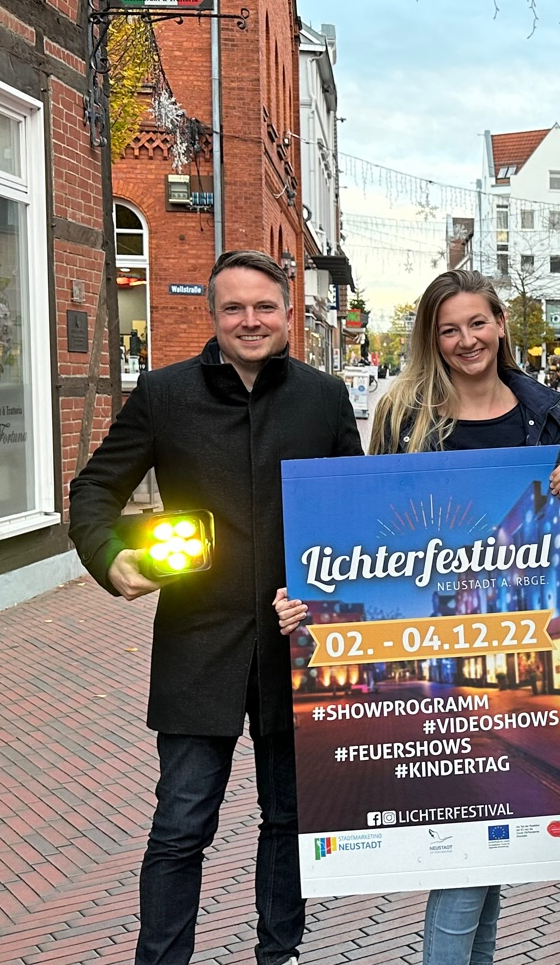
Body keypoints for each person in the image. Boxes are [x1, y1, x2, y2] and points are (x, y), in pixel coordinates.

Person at [68, 250, 363, 965]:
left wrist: (331, 596)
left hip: (297, 645)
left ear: (288, 312)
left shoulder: (323, 398)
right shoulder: (164, 394)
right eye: (234, 307)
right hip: (198, 643)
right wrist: (112, 558)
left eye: (264, 306)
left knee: (287, 818)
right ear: (213, 316)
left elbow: (356, 515)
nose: (250, 319)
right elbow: (92, 493)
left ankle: (278, 952)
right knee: (179, 824)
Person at [276, 269, 560, 965]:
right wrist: (310, 595)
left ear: (500, 324)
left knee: (496, 832)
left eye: (477, 323)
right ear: (431, 338)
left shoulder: (542, 410)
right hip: (431, 649)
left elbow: (554, 550)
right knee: (469, 838)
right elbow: (367, 527)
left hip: (508, 643)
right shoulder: (404, 411)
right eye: (449, 328)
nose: (465, 339)